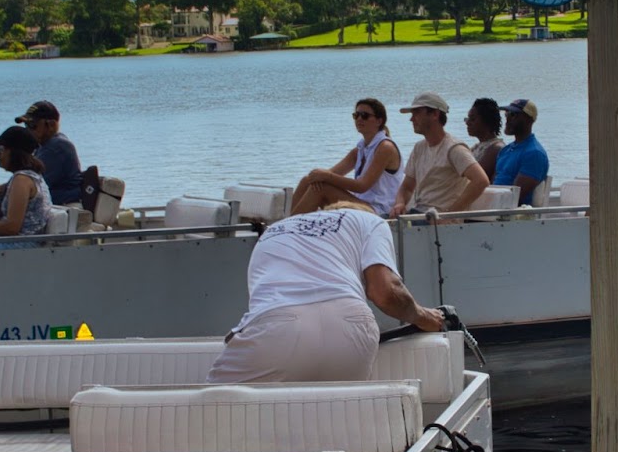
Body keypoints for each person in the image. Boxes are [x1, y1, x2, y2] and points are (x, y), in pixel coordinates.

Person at [207, 199, 446, 383]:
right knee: (333, 420)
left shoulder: (274, 230)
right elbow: (385, 292)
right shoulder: (371, 222)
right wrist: (425, 317)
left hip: (277, 324)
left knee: (209, 415)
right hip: (352, 325)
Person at [290, 98, 405, 216]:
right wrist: (318, 176)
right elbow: (331, 174)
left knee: (322, 188)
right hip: (361, 204)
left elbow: (362, 186)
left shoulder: (385, 147)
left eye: (365, 115)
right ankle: (284, 227)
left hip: (378, 211)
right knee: (307, 181)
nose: (359, 119)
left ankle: (287, 230)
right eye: (356, 115)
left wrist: (326, 176)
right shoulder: (359, 150)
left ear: (379, 121)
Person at [388, 92, 490, 217]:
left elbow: (481, 181)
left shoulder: (454, 148)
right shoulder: (419, 148)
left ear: (435, 114)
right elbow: (407, 187)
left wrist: (450, 215)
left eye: (417, 113)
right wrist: (399, 204)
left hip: (437, 221)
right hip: (419, 214)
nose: (411, 119)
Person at [16, 100, 84, 205]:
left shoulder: (56, 147)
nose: (28, 130)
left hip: (64, 205)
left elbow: (32, 183)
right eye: (26, 125)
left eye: (33, 125)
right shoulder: (45, 145)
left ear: (51, 125)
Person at [493, 99, 549, 205]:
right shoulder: (505, 150)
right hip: (493, 207)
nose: (508, 119)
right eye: (506, 114)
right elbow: (494, 185)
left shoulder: (534, 153)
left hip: (511, 214)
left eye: (513, 114)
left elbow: (515, 197)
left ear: (529, 120)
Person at [464, 98, 506, 181]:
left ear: (487, 121)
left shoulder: (496, 148)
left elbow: (473, 177)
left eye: (472, 119)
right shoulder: (477, 147)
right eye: (467, 119)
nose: (467, 123)